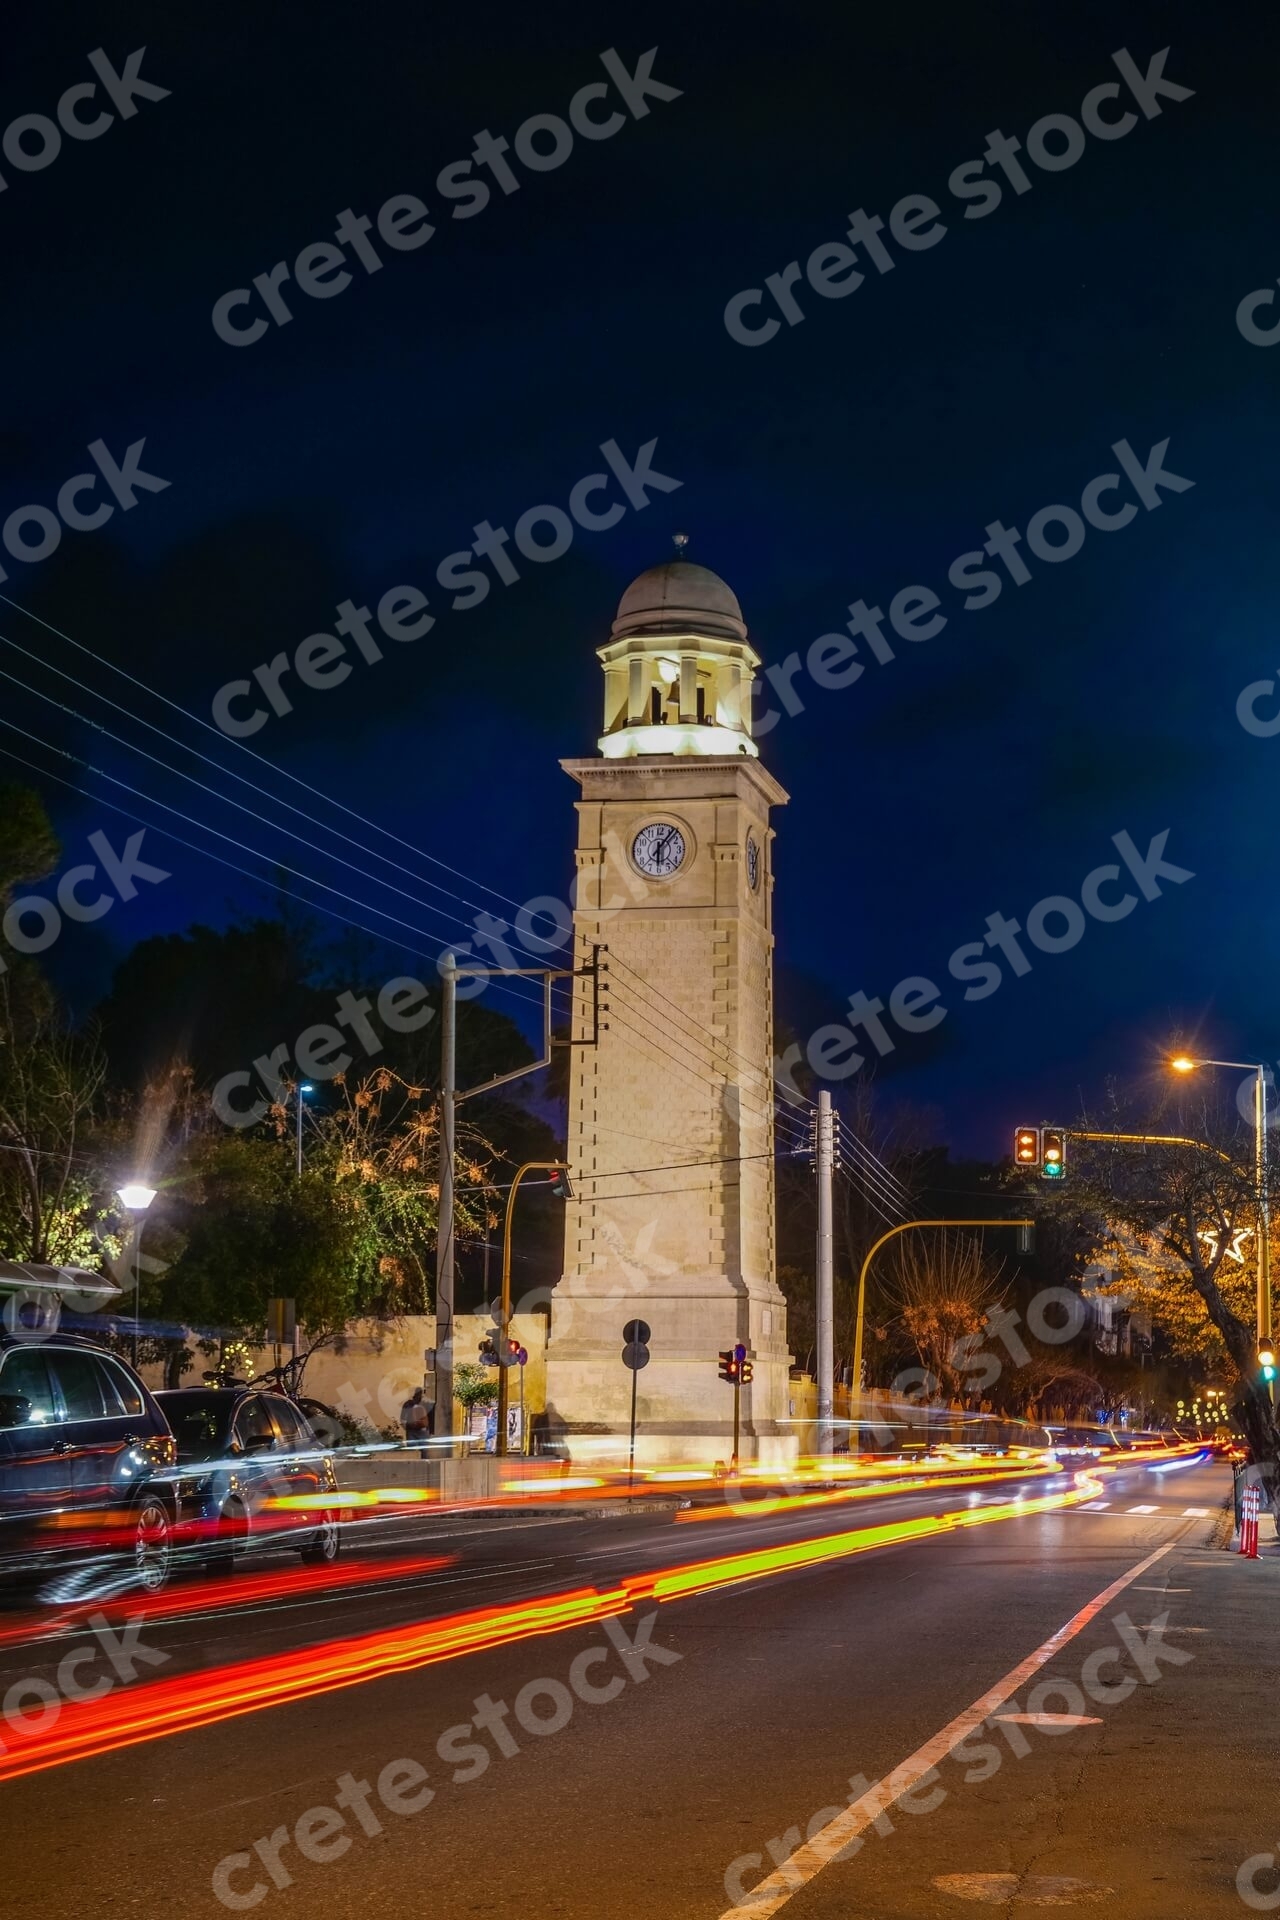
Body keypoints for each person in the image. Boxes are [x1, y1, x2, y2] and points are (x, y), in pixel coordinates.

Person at [401, 1386, 430, 1455]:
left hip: (421, 1430)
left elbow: (429, 1417)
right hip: (413, 1430)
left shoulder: (425, 1403)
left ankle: (423, 1463)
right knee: (414, 1451)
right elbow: (403, 1418)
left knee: (422, 1451)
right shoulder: (408, 1404)